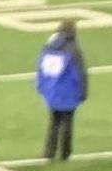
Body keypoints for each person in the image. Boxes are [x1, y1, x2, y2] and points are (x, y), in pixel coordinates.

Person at [35, 21, 86, 162]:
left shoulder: (49, 46)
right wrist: (83, 92)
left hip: (52, 90)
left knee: (54, 121)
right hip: (69, 91)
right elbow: (80, 74)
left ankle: (49, 151)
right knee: (67, 123)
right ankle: (64, 153)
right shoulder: (73, 49)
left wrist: (41, 86)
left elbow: (42, 68)